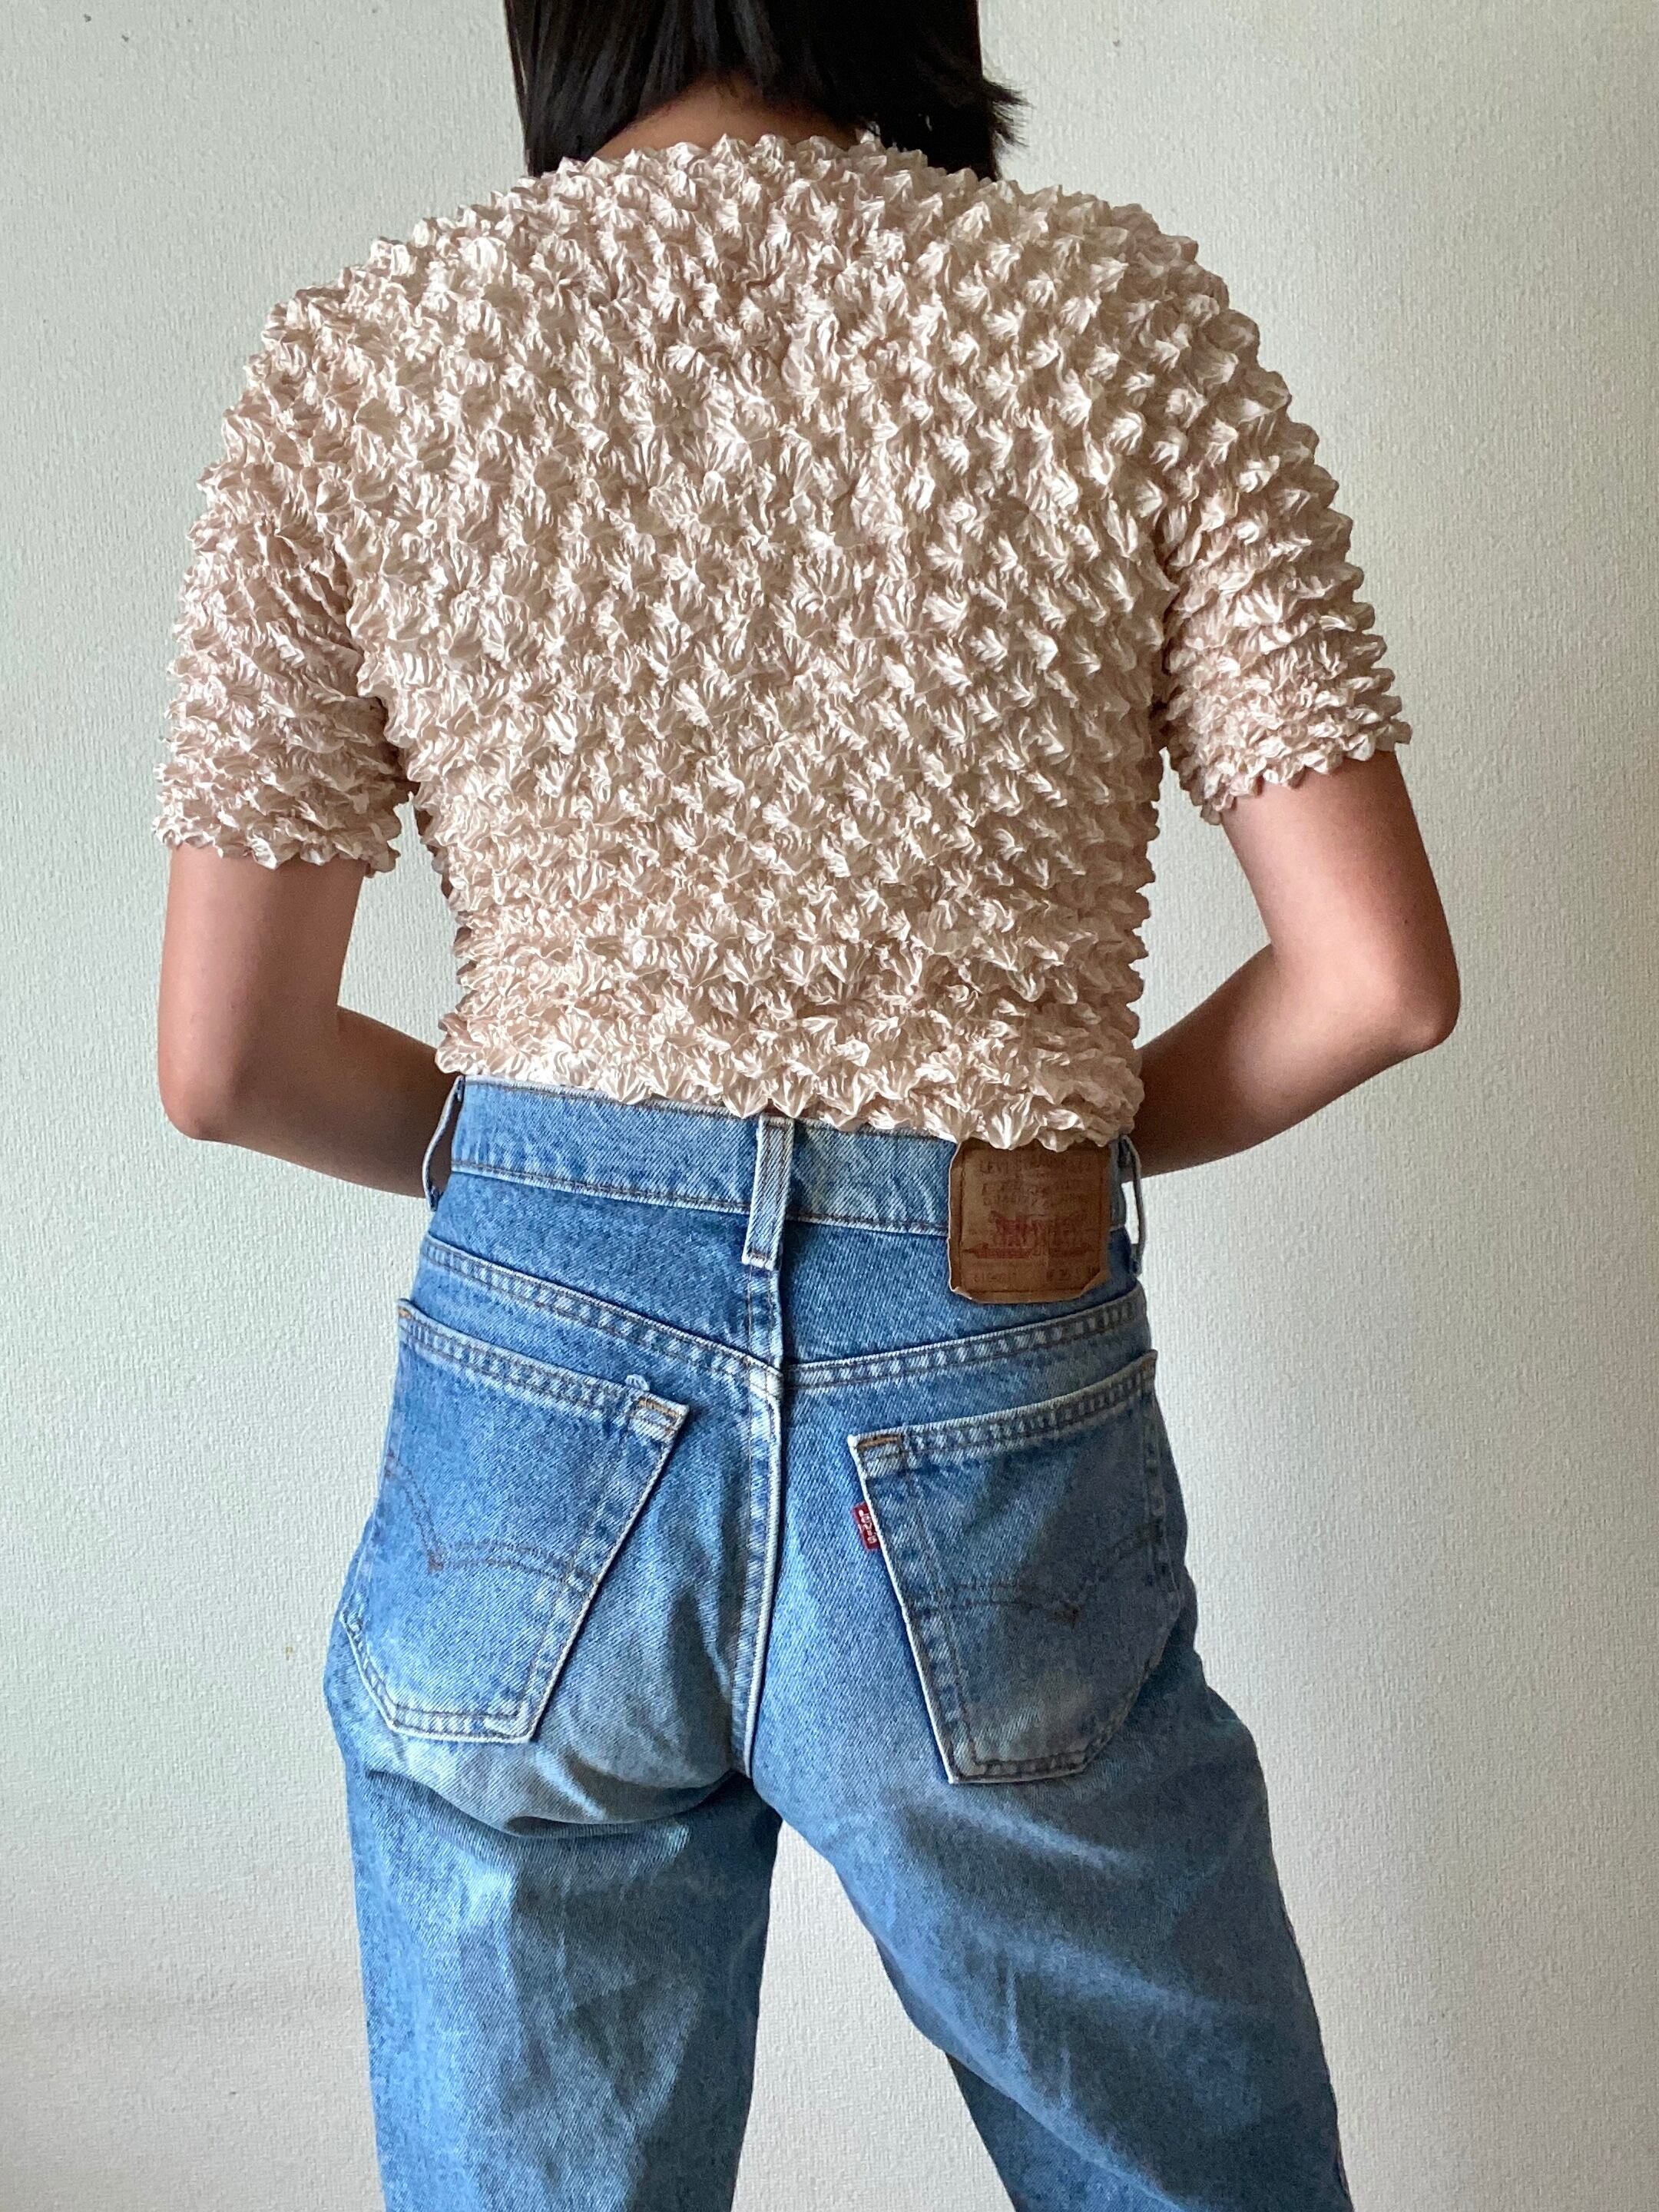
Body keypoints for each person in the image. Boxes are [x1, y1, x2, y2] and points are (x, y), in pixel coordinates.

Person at [151, 5, 1459, 2207]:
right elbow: (1378, 982)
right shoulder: (1112, 318)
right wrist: (1025, 1148)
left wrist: (567, 1195)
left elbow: (229, 1064)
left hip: (531, 1405)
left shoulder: (366, 355)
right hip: (985, 1378)